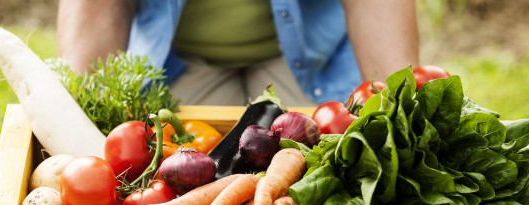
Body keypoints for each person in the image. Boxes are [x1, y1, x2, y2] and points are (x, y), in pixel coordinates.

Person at [57, 0, 419, 106]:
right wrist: (74, 113)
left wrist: (403, 111)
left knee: (331, 171)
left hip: (310, 56)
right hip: (177, 58)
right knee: (172, 174)